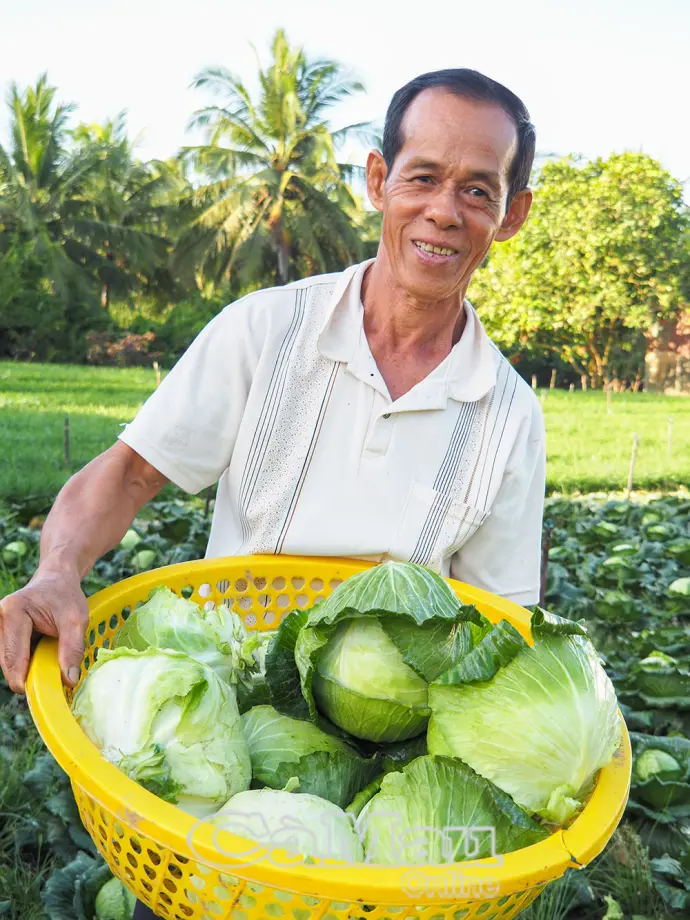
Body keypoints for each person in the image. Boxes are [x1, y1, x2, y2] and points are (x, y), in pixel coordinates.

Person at [0, 67, 544, 919]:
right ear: (377, 182)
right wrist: (58, 566)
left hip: (372, 784)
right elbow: (131, 473)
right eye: (423, 178)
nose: (445, 211)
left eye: (479, 190)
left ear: (511, 216)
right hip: (217, 732)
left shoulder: (510, 414)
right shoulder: (268, 330)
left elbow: (503, 627)